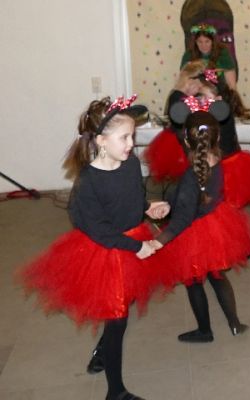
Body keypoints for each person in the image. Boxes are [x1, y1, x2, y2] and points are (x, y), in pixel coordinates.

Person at [18, 96, 171, 400]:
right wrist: (135, 246)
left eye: (133, 136)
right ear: (101, 141)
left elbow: (132, 198)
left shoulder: (130, 165)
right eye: (124, 137)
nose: (131, 144)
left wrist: (148, 207)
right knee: (118, 317)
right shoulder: (89, 181)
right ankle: (116, 391)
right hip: (106, 250)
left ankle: (102, 350)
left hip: (132, 242)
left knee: (122, 304)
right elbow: (97, 228)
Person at [150, 109, 250, 342]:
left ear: (187, 141)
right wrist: (170, 203)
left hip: (194, 234)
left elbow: (183, 218)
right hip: (215, 225)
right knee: (217, 277)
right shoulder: (216, 162)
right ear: (216, 138)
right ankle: (235, 323)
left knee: (194, 282)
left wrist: (158, 241)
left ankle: (205, 331)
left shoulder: (192, 175)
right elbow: (196, 198)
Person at [199, 78, 250, 208]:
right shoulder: (213, 112)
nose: (202, 101)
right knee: (218, 202)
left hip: (229, 165)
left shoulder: (221, 113)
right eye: (200, 97)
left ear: (218, 99)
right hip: (218, 162)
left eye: (206, 97)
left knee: (228, 202)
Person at [144, 61, 205, 183]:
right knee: (185, 176)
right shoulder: (178, 97)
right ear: (190, 82)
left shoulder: (181, 96)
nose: (199, 90)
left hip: (183, 138)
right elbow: (181, 123)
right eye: (198, 87)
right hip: (179, 141)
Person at [181, 22, 237, 90]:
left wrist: (232, 95)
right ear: (195, 42)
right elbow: (184, 79)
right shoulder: (189, 55)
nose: (203, 45)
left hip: (220, 91)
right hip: (197, 91)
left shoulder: (222, 53)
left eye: (207, 41)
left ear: (212, 41)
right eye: (200, 42)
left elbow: (231, 83)